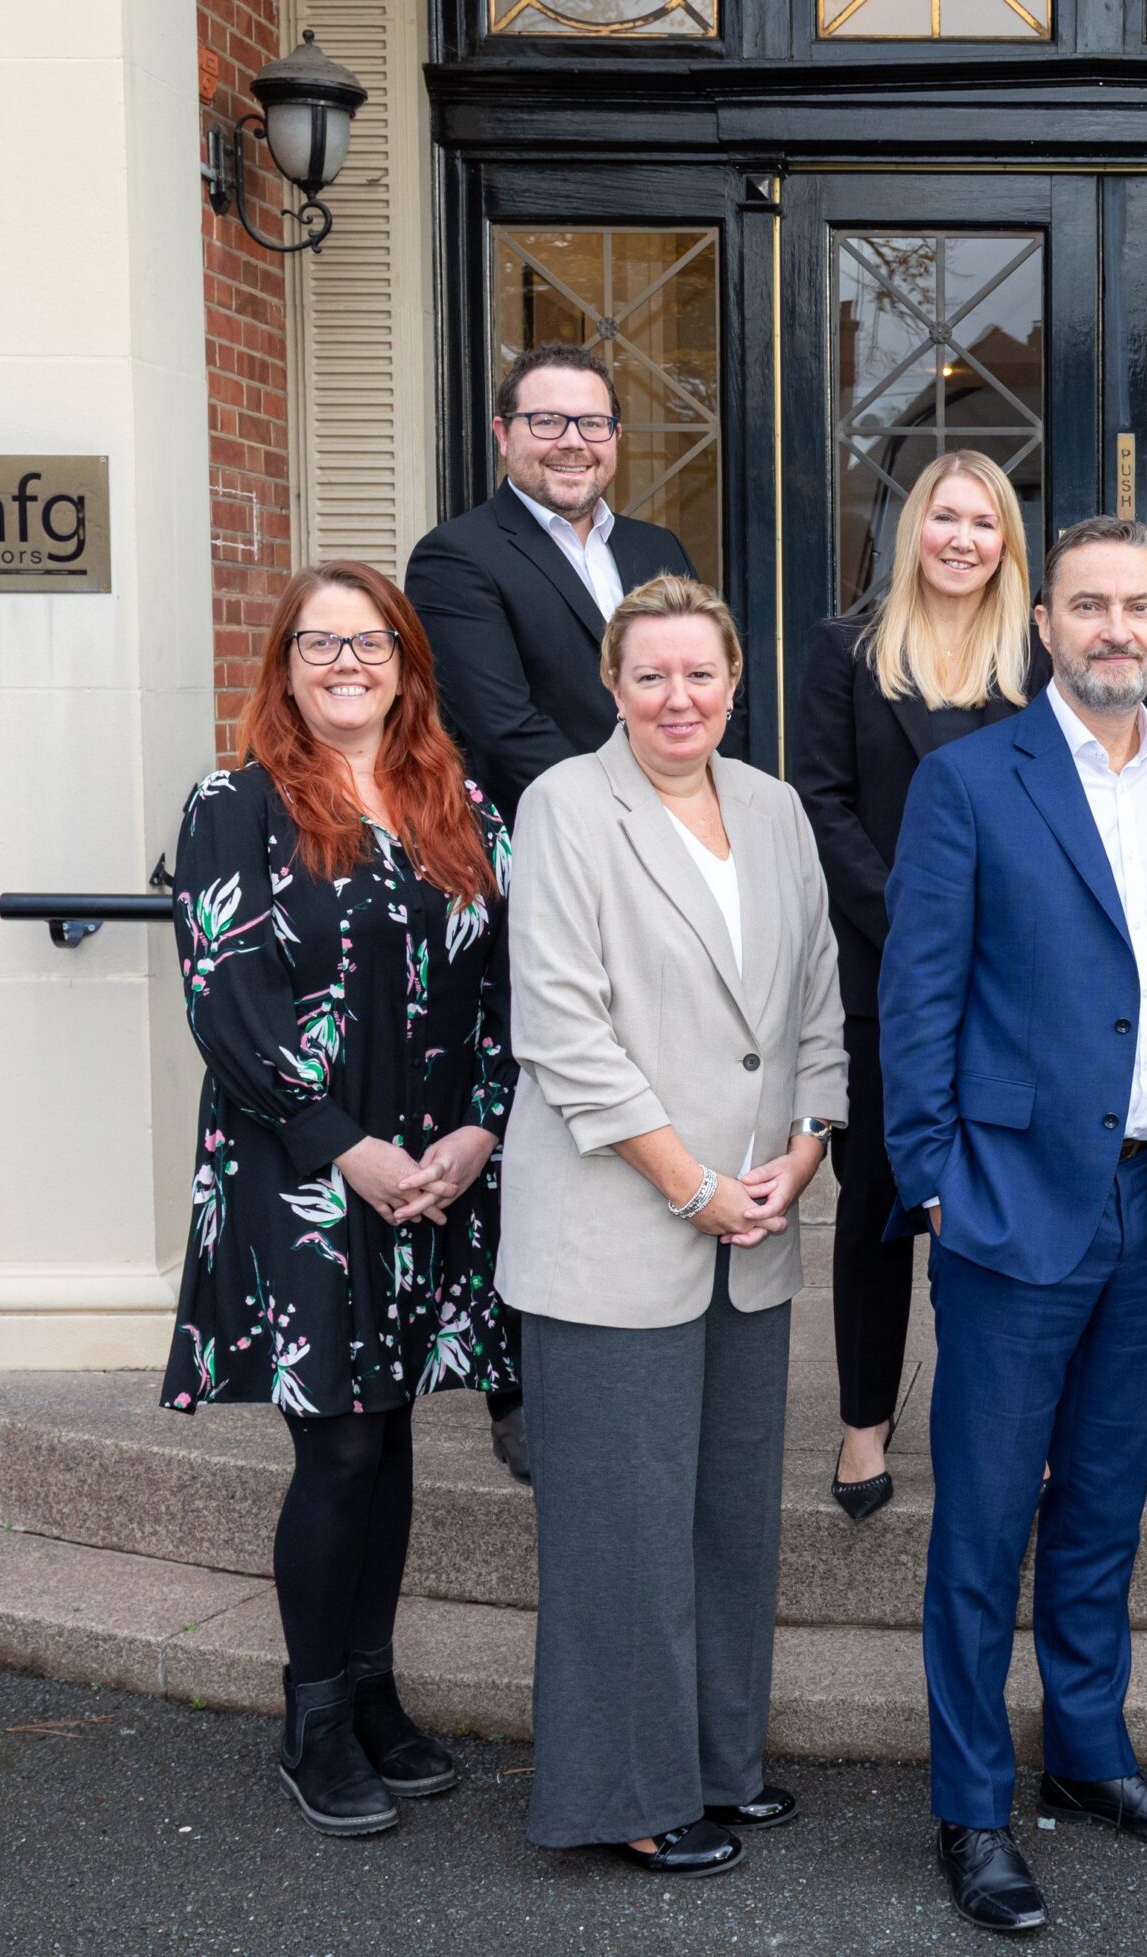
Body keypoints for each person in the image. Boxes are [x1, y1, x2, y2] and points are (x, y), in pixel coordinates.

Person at [879, 516, 1147, 1932]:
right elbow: (918, 991)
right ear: (1045, 625)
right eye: (1088, 604)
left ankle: (1088, 1754)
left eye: (1138, 606)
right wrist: (929, 1175)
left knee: (1101, 1502)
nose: (1114, 629)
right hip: (1011, 1198)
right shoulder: (972, 780)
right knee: (981, 1522)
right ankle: (972, 1809)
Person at [498, 574, 847, 1880]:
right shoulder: (566, 806)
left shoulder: (773, 808)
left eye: (700, 672)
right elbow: (562, 1030)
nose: (677, 697)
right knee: (621, 1532)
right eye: (650, 675)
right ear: (612, 684)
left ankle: (717, 1762)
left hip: (755, 1225)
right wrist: (692, 1183)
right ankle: (627, 1793)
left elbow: (817, 995)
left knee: (726, 1518)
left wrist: (807, 1145)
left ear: (736, 681)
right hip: (619, 1223)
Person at [162, 561, 515, 1838]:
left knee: (393, 1425)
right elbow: (225, 998)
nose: (346, 664)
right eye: (319, 645)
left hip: (433, 1173)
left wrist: (481, 1126)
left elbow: (508, 981)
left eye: (370, 644)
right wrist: (343, 1144)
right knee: (342, 1440)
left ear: (407, 664)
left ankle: (373, 1691)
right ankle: (313, 1717)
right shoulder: (235, 806)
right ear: (285, 666)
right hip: (300, 1172)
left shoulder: (458, 804)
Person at [405, 341, 695, 1481]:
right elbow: (500, 722)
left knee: (652, 1080)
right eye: (547, 422)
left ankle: (651, 1312)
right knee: (541, 1106)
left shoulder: (658, 551)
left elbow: (694, 689)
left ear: (616, 438)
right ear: (504, 434)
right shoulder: (459, 556)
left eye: (592, 424)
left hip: (667, 860)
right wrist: (639, 816)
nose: (572, 443)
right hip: (537, 864)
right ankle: (519, 1380)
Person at [789, 450, 1047, 1522]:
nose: (962, 539)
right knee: (878, 1208)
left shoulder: (1035, 658)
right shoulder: (846, 649)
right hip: (883, 971)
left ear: (1006, 544)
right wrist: (918, 927)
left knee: (999, 1210)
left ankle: (1008, 1427)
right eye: (945, 517)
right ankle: (864, 1421)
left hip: (1013, 980)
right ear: (914, 529)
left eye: (984, 523)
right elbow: (821, 801)